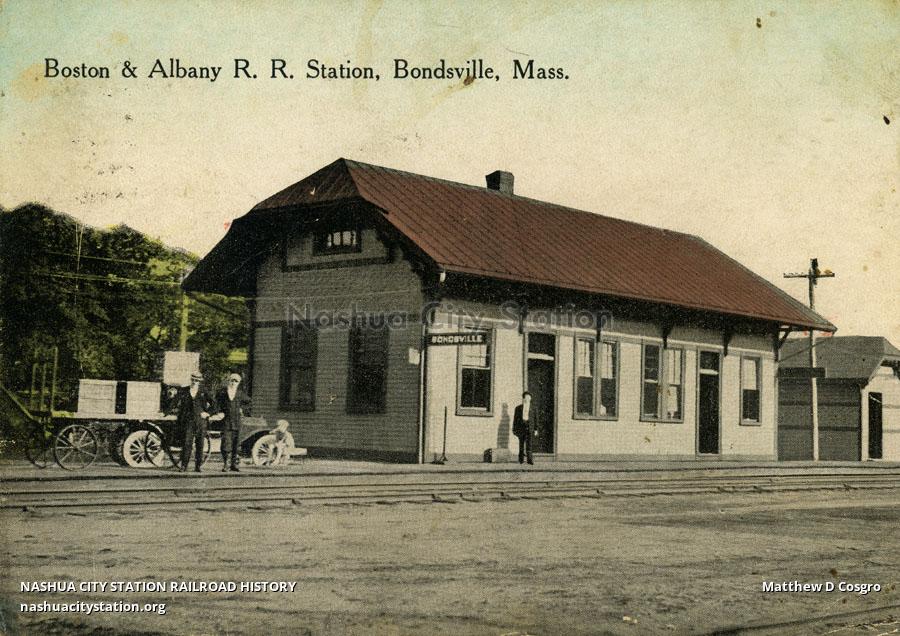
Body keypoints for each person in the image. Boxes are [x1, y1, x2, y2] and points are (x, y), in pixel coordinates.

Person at [176, 372, 217, 472]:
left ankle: (198, 466)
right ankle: (184, 466)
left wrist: (207, 413)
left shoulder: (204, 391)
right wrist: (166, 412)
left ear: (200, 381)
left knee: (200, 444)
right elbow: (174, 402)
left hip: (201, 421)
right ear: (191, 380)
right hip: (188, 421)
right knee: (187, 443)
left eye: (197, 380)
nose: (194, 382)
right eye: (193, 380)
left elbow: (215, 405)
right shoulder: (184, 390)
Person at [215, 372, 251, 472]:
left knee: (236, 443)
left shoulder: (240, 394)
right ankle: (226, 463)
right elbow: (216, 404)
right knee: (226, 443)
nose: (233, 383)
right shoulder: (222, 393)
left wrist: (242, 409)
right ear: (228, 381)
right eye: (232, 380)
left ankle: (234, 464)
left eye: (236, 381)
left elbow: (249, 402)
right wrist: (219, 412)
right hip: (226, 421)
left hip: (237, 421)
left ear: (238, 383)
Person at [512, 391, 535, 465]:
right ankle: (521, 459)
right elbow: (515, 419)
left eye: (528, 397)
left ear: (530, 399)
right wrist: (514, 429)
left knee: (529, 444)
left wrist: (536, 429)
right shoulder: (518, 408)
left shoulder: (533, 408)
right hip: (521, 428)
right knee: (521, 444)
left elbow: (536, 419)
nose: (527, 399)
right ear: (523, 398)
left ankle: (529, 459)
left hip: (530, 427)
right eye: (525, 397)